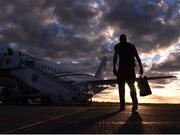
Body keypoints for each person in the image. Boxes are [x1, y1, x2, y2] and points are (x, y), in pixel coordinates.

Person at [113, 34, 143, 111]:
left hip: (124, 69)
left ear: (120, 39)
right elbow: (137, 56)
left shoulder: (119, 46)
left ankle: (125, 105)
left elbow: (115, 56)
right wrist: (141, 67)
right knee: (130, 86)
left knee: (123, 87)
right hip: (127, 69)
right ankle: (132, 102)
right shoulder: (130, 46)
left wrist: (114, 68)